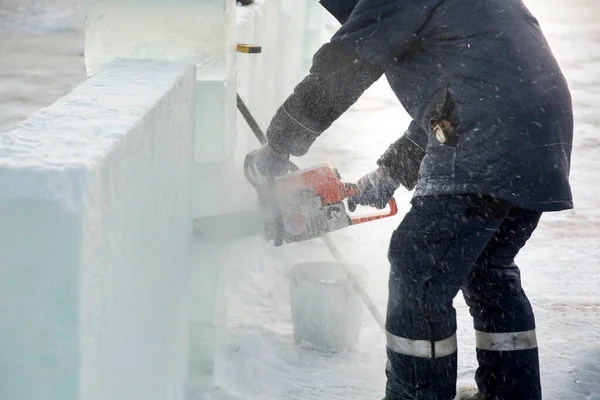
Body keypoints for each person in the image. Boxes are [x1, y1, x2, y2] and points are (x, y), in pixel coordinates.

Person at [245, 0, 573, 399]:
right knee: (489, 267)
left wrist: (280, 143)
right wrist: (392, 172)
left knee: (419, 266)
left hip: (486, 137)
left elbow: (345, 67)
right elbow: (467, 93)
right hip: (542, 136)